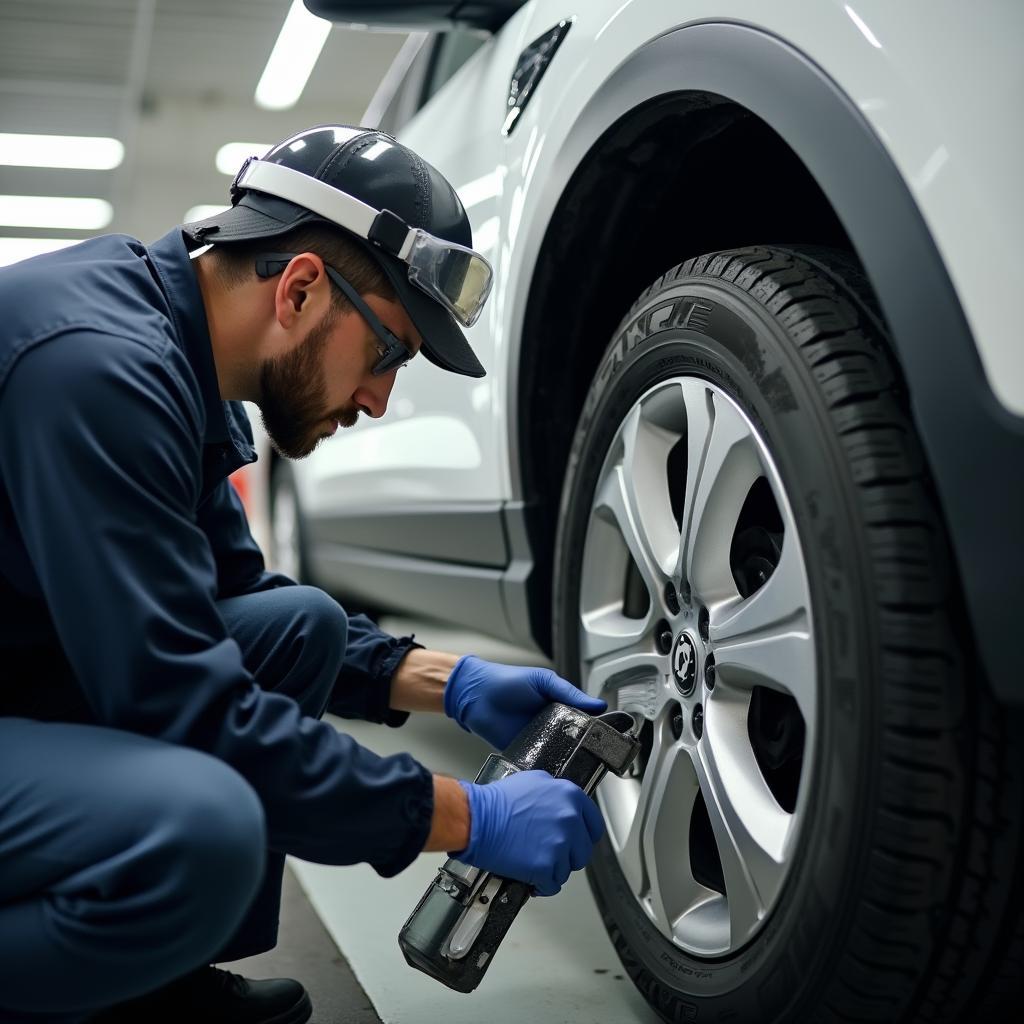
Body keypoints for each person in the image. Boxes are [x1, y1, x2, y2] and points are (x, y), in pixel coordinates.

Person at [0, 125, 608, 1024]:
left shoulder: (176, 360)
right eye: (389, 354)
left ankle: (141, 978)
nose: (378, 399)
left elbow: (233, 606)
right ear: (300, 288)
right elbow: (185, 704)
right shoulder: (99, 369)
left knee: (301, 624)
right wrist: (463, 817)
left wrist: (446, 680)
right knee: (200, 829)